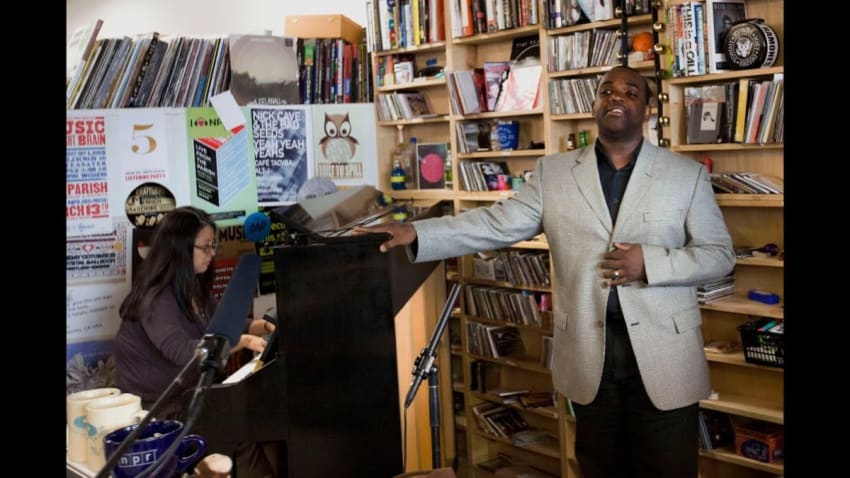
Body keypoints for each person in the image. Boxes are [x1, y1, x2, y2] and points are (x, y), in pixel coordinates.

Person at [357, 66, 735, 478]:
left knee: (667, 469)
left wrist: (651, 262)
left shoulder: (686, 175)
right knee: (599, 467)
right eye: (607, 90)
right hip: (592, 355)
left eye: (630, 92)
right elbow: (496, 223)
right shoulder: (553, 173)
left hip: (667, 354)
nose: (616, 97)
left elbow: (719, 255)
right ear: (594, 104)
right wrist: (414, 231)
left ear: (646, 109)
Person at [115, 205, 277, 477]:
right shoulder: (155, 299)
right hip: (160, 412)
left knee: (261, 421)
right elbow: (182, 352)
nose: (212, 254)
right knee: (242, 430)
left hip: (192, 397)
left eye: (213, 246)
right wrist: (245, 340)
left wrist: (262, 325)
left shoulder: (193, 287)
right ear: (180, 249)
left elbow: (224, 323)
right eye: (206, 247)